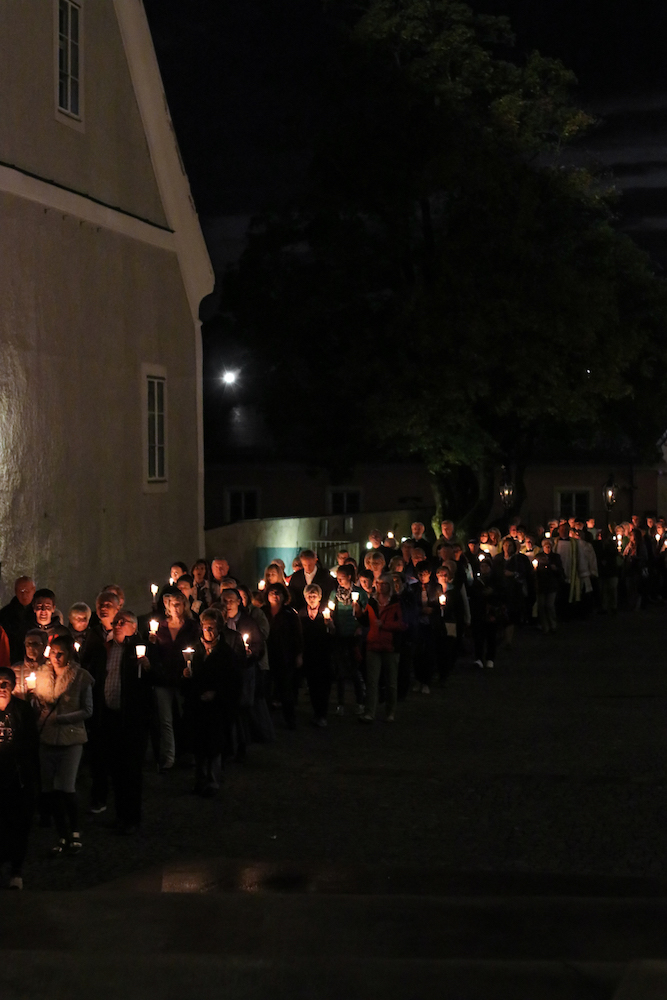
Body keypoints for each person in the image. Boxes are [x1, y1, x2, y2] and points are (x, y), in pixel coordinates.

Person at [89, 611, 152, 834]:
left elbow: (155, 681)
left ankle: (132, 818)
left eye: (122, 622)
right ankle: (120, 815)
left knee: (131, 771)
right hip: (109, 717)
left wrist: (147, 668)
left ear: (133, 628)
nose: (117, 625)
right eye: (115, 622)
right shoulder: (105, 650)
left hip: (131, 719)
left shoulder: (139, 651)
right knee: (115, 770)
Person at [33, 635, 93, 855]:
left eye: (61, 653)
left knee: (66, 788)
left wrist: (61, 718)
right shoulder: (41, 675)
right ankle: (62, 834)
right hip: (47, 738)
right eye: (53, 652)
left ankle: (74, 831)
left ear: (69, 654)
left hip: (71, 739)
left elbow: (88, 710)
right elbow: (38, 706)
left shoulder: (81, 677)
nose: (56, 657)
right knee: (50, 791)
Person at [182, 609, 242, 797]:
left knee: (214, 745)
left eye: (212, 628)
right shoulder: (194, 650)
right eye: (205, 627)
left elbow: (233, 682)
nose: (208, 631)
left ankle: (213, 781)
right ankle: (199, 780)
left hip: (216, 709)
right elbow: (187, 677)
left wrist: (216, 693)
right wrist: (185, 675)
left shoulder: (226, 654)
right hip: (197, 707)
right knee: (199, 746)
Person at [148, 587, 200, 772]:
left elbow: (196, 649)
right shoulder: (161, 627)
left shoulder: (191, 627)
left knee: (186, 716)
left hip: (183, 678)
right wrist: (152, 644)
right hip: (163, 679)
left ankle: (188, 752)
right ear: (167, 606)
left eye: (179, 604)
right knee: (165, 720)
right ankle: (168, 757)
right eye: (172, 604)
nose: (175, 607)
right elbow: (155, 654)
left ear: (184, 605)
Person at [0, 667, 40, 889]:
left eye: (6, 682)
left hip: (17, 778)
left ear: (14, 686)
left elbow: (31, 744)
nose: (1, 687)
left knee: (18, 824)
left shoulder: (22, 710)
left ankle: (16, 869)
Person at [355, 574, 406, 722]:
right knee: (372, 680)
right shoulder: (372, 602)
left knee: (391, 681)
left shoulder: (397, 603)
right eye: (379, 583)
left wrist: (385, 626)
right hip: (373, 644)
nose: (381, 586)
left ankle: (390, 711)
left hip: (390, 645)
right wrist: (358, 613)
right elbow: (366, 621)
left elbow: (403, 624)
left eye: (384, 584)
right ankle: (370, 711)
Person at [265, 583, 302, 729]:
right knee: (267, 689)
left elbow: (297, 635)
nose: (275, 596)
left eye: (278, 593)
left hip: (284, 655)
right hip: (267, 654)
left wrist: (298, 654)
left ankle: (290, 719)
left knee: (285, 688)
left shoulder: (289, 613)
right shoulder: (263, 612)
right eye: (272, 593)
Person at [298, 584, 334, 726]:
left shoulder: (327, 613)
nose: (312, 599)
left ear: (319, 597)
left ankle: (322, 714)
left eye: (314, 596)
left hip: (324, 653)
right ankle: (316, 713)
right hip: (309, 653)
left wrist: (329, 625)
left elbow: (333, 634)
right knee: (312, 685)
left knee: (324, 685)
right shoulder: (301, 614)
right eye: (309, 596)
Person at [0, 577, 36, 664]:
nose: (24, 595)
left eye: (27, 591)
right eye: (21, 591)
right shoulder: (5, 614)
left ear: (33, 590)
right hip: (11, 659)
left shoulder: (40, 612)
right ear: (15, 591)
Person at [11, 629, 48, 699]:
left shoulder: (51, 668)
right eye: (28, 644)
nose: (31, 647)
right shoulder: (15, 670)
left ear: (44, 646)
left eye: (35, 644)